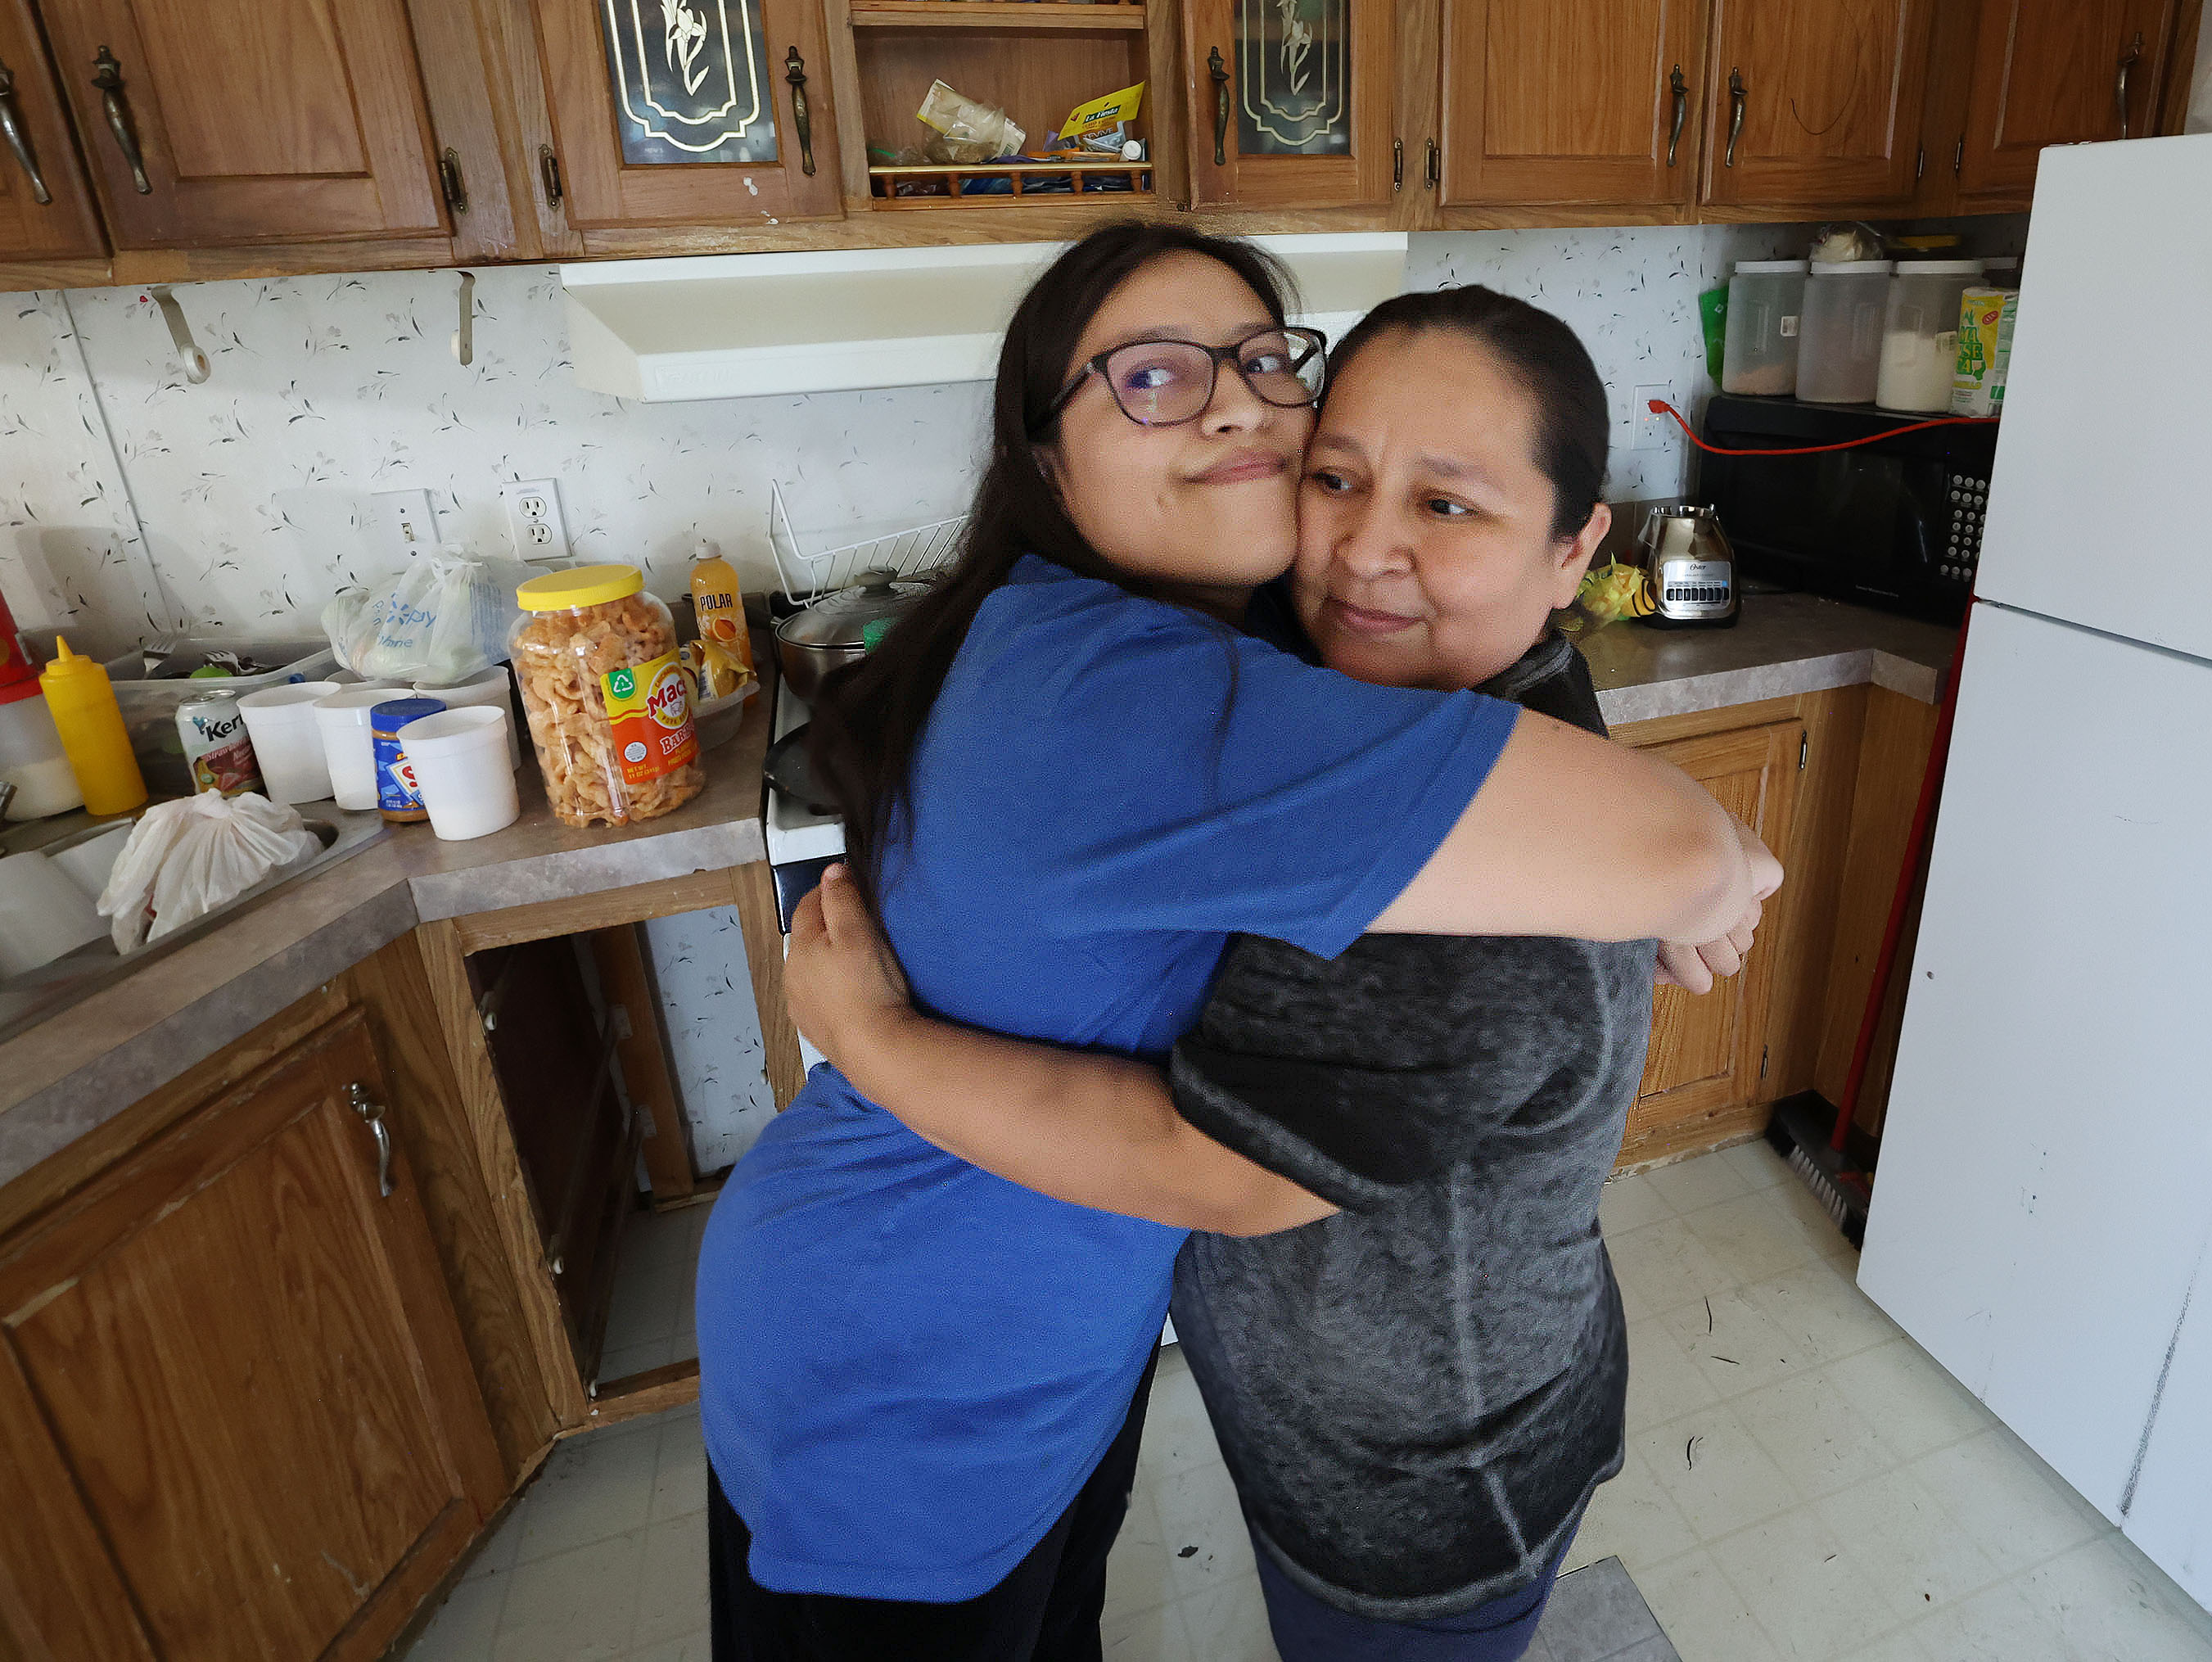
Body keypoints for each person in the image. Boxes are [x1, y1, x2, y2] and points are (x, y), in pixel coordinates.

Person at [698, 226, 1777, 1662]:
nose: (1236, 404)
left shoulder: (1203, 647)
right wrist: (1714, 868)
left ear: (1576, 545)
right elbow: (1674, 849)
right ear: (1044, 458)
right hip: (906, 1365)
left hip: (1034, 1350)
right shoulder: (1128, 684)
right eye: (1151, 374)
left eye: (1268, 362)